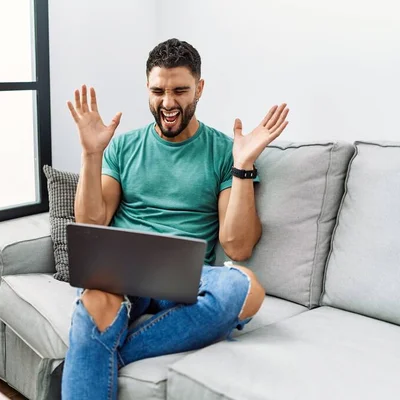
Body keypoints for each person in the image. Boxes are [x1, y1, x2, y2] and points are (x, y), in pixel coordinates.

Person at [62, 38, 289, 400]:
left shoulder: (221, 151)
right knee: (94, 301)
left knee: (245, 288)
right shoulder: (123, 147)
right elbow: (93, 222)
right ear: (148, 90)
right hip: (123, 270)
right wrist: (92, 155)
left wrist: (242, 165)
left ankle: (97, 351)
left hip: (187, 278)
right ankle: (95, 347)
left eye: (180, 90)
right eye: (158, 91)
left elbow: (238, 246)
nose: (168, 103)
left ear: (199, 88)